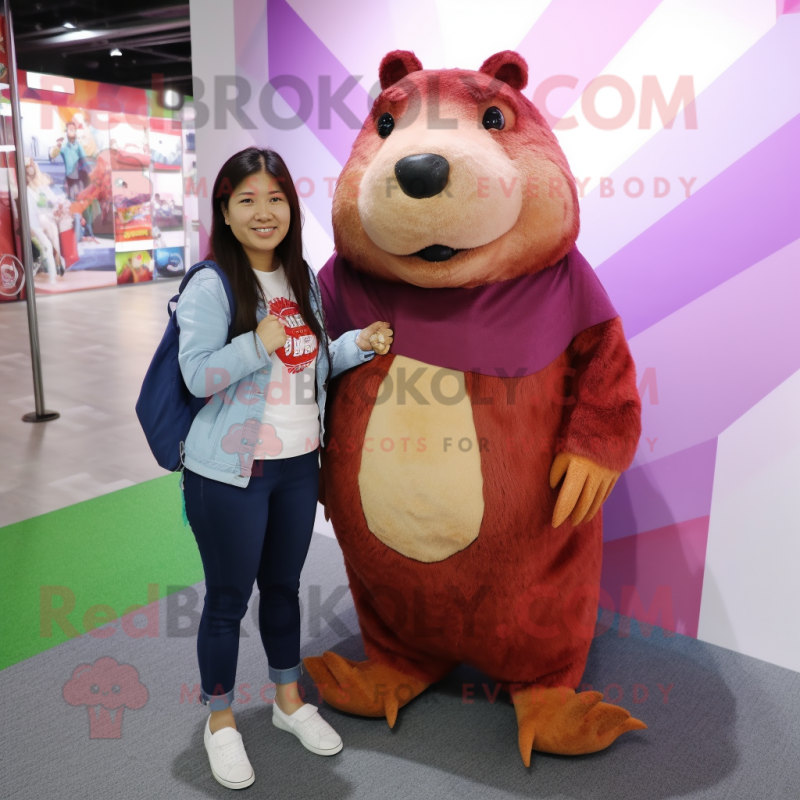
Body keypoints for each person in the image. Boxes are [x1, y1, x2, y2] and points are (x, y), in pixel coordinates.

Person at [175, 147, 393, 791]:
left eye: (275, 198)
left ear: (290, 208)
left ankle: (287, 702)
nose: (263, 212)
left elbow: (314, 361)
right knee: (225, 601)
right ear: (225, 210)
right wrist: (254, 343)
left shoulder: (300, 277)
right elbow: (197, 375)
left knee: (284, 590)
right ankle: (219, 722)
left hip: (299, 466)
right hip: (231, 475)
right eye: (247, 199)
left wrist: (358, 344)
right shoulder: (211, 283)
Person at [49, 121, 89, 201]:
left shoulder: (78, 146)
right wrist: (58, 145)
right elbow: (52, 155)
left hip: (78, 177)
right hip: (68, 177)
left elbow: (85, 160)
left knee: (77, 197)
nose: (71, 131)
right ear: (66, 131)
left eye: (73, 129)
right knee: (70, 197)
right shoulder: (63, 147)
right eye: (69, 129)